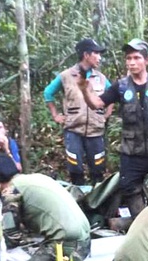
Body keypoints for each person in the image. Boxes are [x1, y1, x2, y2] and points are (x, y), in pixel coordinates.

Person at [81, 38, 148, 217]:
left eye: (137, 58)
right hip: (133, 152)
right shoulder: (121, 86)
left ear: (147, 61)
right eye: (128, 58)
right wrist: (85, 90)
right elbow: (97, 104)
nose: (132, 62)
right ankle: (142, 223)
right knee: (129, 189)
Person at [2, 174, 92, 261]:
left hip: (65, 245)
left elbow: (11, 239)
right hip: (84, 241)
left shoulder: (10, 191)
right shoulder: (35, 179)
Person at [43, 39, 113, 185]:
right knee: (75, 167)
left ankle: (97, 200)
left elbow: (112, 95)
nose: (99, 57)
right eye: (96, 53)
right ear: (86, 55)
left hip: (96, 131)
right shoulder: (66, 76)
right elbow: (48, 93)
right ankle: (78, 198)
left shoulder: (101, 78)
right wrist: (56, 115)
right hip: (73, 129)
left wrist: (106, 115)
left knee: (98, 168)